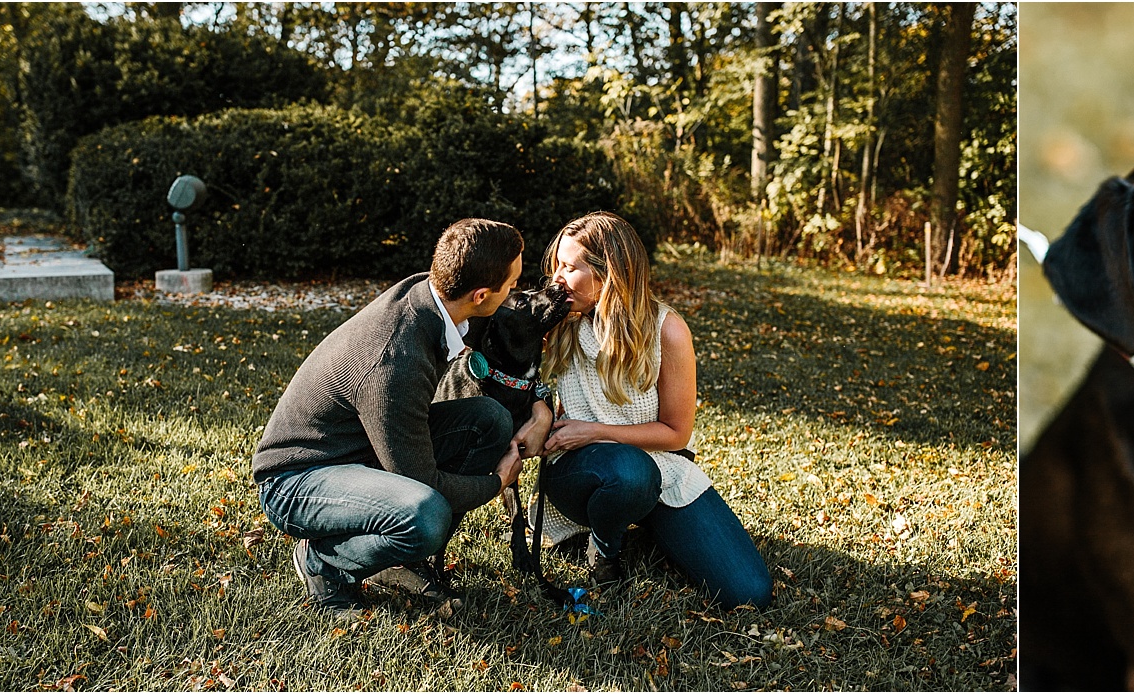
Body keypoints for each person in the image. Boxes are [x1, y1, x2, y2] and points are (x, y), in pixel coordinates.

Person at [251, 218, 552, 615]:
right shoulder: (397, 361)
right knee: (425, 514)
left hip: (358, 448)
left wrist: (540, 403)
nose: (515, 290)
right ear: (481, 295)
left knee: (488, 421)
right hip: (298, 479)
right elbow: (423, 481)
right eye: (511, 284)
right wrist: (497, 482)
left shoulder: (428, 294)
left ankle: (398, 556)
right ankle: (326, 560)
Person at [537, 211, 772, 610]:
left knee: (748, 591)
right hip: (580, 471)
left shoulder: (667, 330)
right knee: (630, 473)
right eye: (557, 264)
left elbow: (677, 433)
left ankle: (643, 523)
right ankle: (605, 551)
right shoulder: (559, 318)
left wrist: (594, 430)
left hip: (661, 468)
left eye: (570, 267)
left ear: (609, 274)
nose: (557, 277)